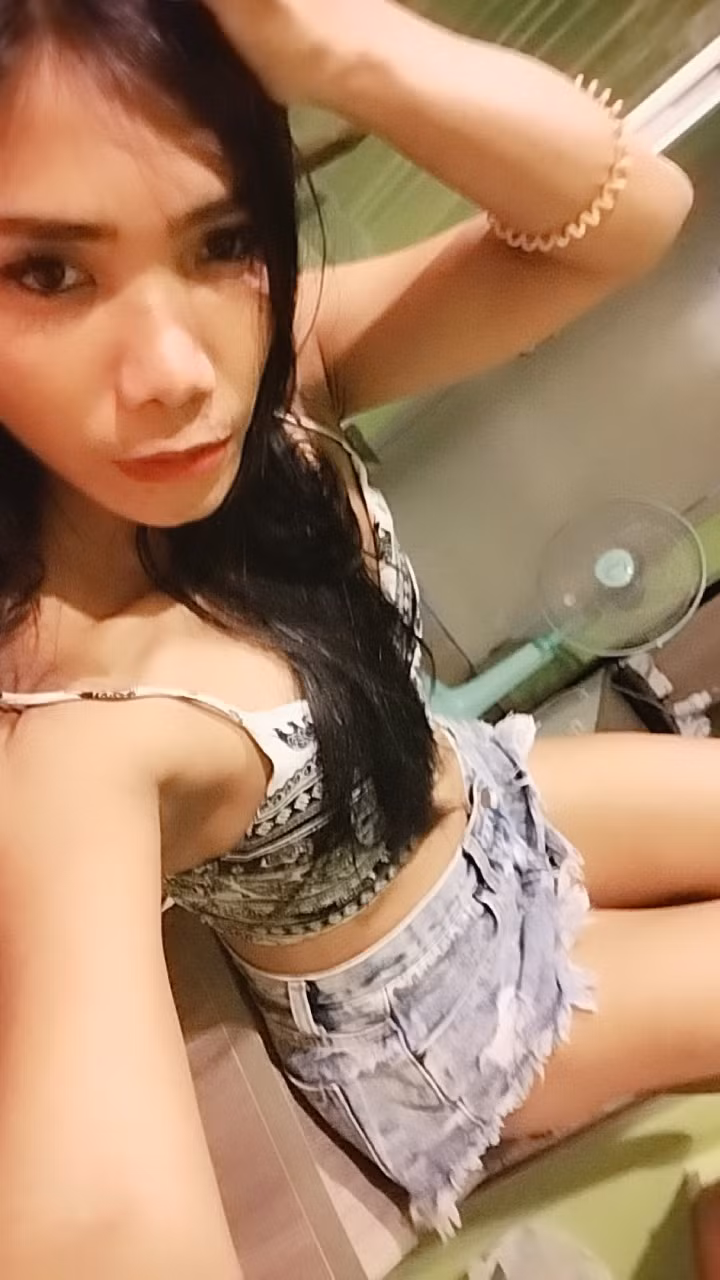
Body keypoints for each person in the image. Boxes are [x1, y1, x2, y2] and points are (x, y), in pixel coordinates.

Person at [0, 1, 705, 1277]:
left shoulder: (277, 382)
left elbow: (627, 216)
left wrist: (339, 46)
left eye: (223, 240)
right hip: (434, 1012)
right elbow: (101, 1224)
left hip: (481, 797)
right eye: (47, 272)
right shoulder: (71, 735)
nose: (178, 369)